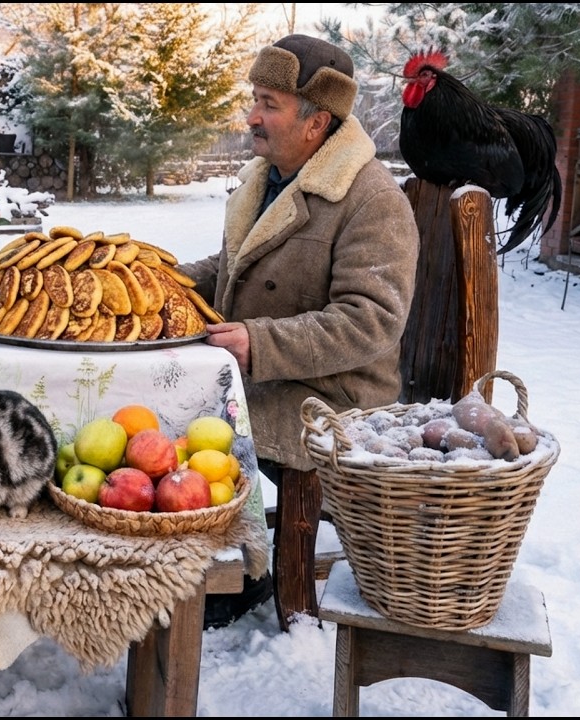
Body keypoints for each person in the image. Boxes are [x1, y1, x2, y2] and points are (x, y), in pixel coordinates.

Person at [180, 35, 420, 627]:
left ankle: (253, 572)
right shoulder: (269, 177)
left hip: (335, 396)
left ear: (316, 123)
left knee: (192, 420)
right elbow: (231, 267)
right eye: (254, 99)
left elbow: (371, 320)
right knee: (168, 398)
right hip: (273, 375)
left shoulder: (371, 199)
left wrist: (260, 343)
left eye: (269, 104)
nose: (252, 116)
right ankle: (199, 557)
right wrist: (160, 279)